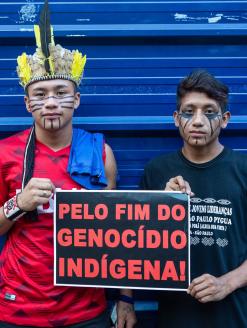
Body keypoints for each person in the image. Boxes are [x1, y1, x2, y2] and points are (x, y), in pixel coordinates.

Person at [0, 1, 136, 327]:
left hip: (85, 311)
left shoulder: (100, 152)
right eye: (40, 93)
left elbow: (118, 234)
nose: (50, 102)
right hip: (18, 309)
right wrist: (17, 203)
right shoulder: (5, 153)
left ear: (75, 100)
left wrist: (127, 299)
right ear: (27, 103)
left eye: (61, 92)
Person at [140, 70, 247, 327]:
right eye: (189, 111)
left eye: (209, 111)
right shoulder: (156, 171)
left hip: (233, 316)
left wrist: (226, 283)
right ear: (176, 118)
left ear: (225, 119)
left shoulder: (243, 169)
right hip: (174, 317)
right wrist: (163, 208)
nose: (198, 120)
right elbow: (135, 248)